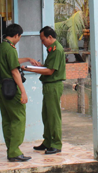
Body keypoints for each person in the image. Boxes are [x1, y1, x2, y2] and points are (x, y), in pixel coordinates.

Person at [0, 24, 39, 162]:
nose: (19, 39)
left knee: (7, 119)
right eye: (19, 37)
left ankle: (11, 149)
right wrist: (23, 92)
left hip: (1, 87)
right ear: (16, 35)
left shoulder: (1, 48)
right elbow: (14, 70)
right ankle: (14, 151)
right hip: (12, 87)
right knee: (18, 119)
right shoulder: (11, 49)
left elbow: (12, 62)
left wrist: (27, 59)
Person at [22, 26, 66, 154]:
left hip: (53, 85)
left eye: (43, 39)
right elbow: (48, 67)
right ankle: (47, 141)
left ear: (50, 37)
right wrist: (40, 66)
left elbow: (50, 71)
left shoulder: (57, 50)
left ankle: (56, 144)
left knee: (53, 116)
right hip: (49, 85)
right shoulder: (52, 50)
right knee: (46, 115)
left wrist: (30, 69)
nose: (42, 42)